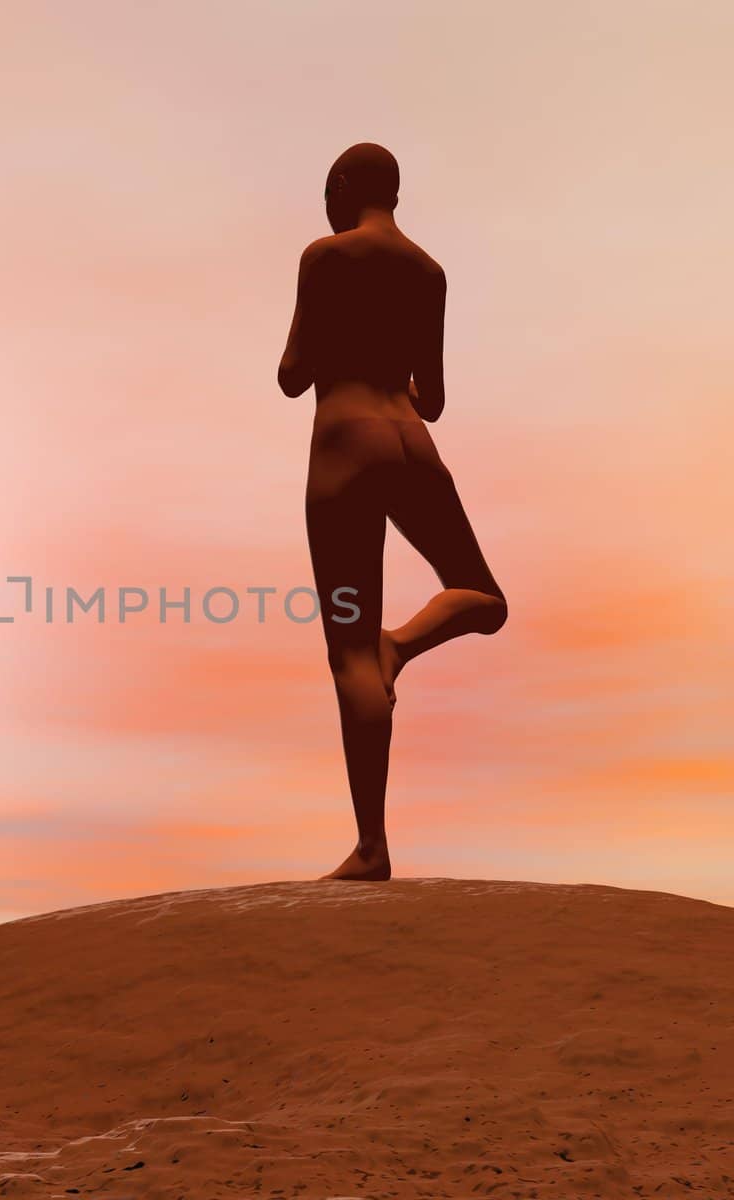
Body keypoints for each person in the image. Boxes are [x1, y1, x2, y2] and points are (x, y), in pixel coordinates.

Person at [278, 142, 509, 882]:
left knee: (349, 655)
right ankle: (403, 645)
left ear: (343, 186)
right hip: (412, 442)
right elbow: (433, 397)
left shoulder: (324, 256)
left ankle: (372, 845)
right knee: (483, 596)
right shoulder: (429, 272)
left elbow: (291, 374)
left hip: (345, 445)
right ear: (397, 195)